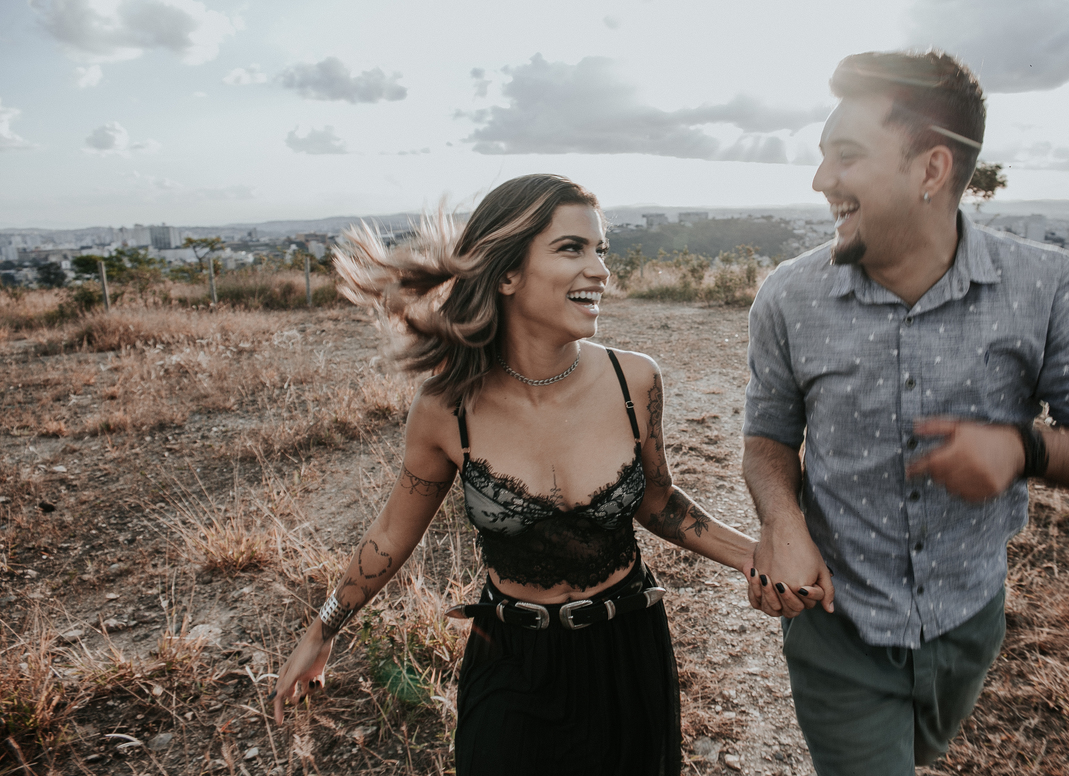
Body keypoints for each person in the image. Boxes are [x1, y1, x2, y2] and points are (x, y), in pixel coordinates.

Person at [740, 51, 1069, 776]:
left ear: (932, 171)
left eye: (846, 156)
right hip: (837, 627)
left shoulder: (1045, 287)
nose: (820, 181)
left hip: (969, 622)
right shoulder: (786, 297)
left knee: (918, 750)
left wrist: (1025, 451)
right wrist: (782, 521)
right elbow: (768, 438)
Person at [269, 174, 763, 775]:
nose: (600, 270)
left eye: (600, 250)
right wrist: (323, 629)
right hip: (509, 656)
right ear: (507, 274)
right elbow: (392, 536)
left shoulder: (634, 382)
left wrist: (754, 556)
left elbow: (658, 503)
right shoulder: (446, 408)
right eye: (571, 249)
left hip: (626, 647)